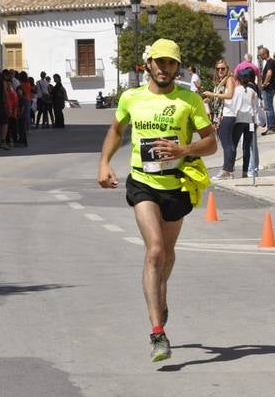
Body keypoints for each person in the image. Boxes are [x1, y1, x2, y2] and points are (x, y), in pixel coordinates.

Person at [97, 38, 217, 363]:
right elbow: (117, 131)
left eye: (171, 63)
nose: (165, 69)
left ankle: (160, 295)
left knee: (168, 254)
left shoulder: (189, 100)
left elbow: (211, 143)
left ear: (178, 67)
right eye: (160, 62)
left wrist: (185, 150)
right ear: (149, 63)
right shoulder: (131, 98)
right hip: (143, 183)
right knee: (155, 250)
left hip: (176, 186)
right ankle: (157, 332)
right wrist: (104, 163)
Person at [202, 60, 237, 179]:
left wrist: (213, 95)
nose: (220, 71)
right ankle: (228, 170)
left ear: (227, 68)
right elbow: (221, 99)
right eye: (218, 69)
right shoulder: (220, 82)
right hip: (221, 114)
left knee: (227, 144)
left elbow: (230, 95)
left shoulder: (229, 80)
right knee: (227, 144)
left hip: (227, 114)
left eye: (222, 68)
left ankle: (227, 171)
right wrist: (210, 100)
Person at [258, 46, 275, 135]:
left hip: (268, 88)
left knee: (268, 108)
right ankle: (271, 127)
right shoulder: (271, 62)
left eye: (260, 55)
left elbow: (269, 73)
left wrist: (264, 83)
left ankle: (271, 128)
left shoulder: (270, 62)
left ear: (265, 54)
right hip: (271, 88)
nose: (260, 57)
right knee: (269, 107)